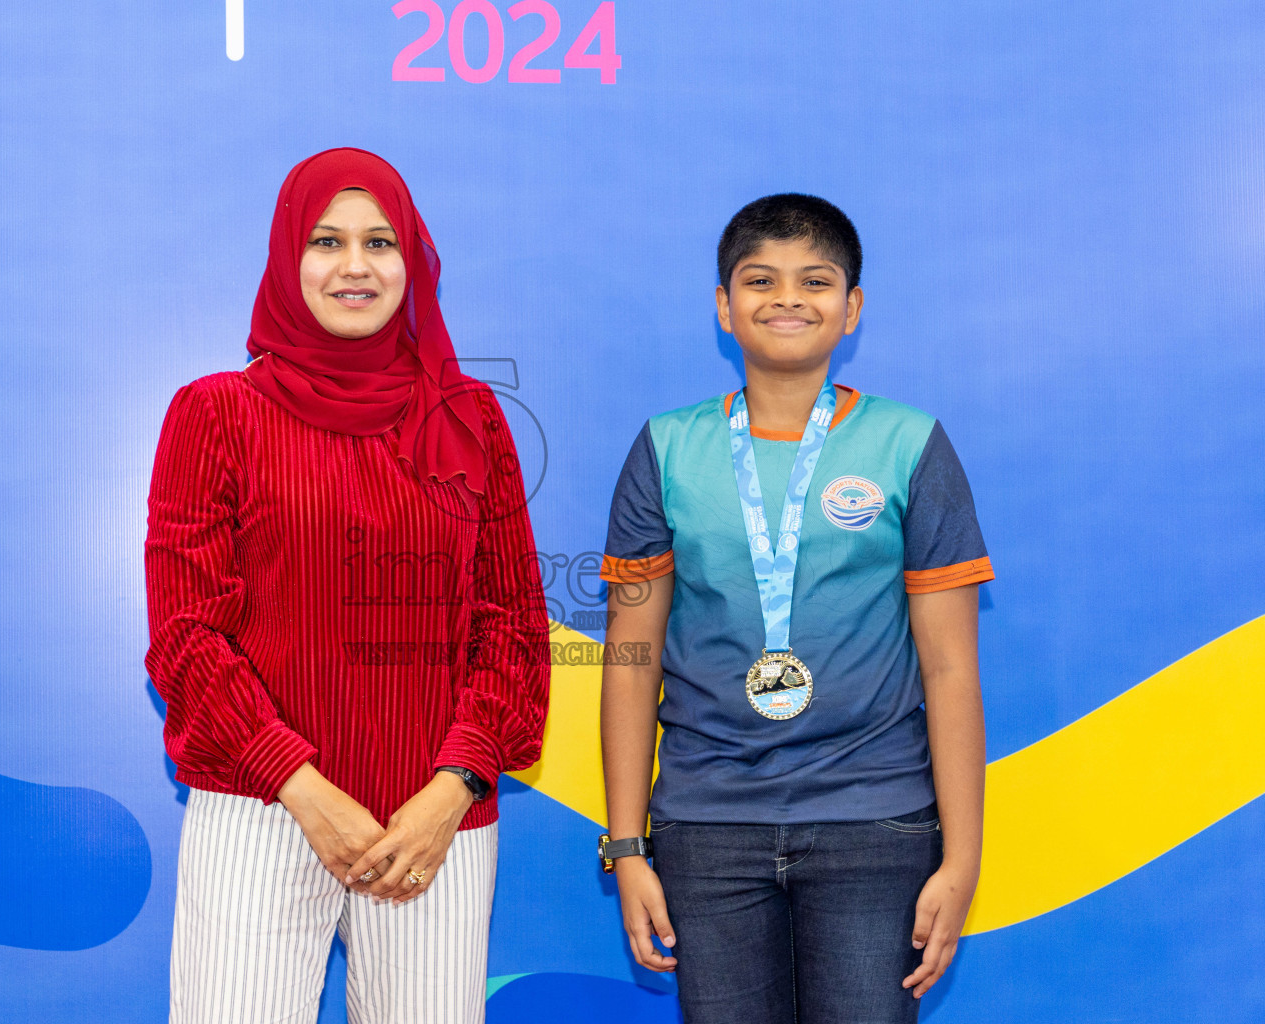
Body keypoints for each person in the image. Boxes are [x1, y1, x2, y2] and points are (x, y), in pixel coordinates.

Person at [144, 148, 550, 1024]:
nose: (356, 266)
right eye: (327, 240)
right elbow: (185, 636)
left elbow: (510, 624)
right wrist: (299, 784)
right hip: (262, 809)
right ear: (289, 259)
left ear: (414, 261)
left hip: (432, 827)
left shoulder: (471, 417)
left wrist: (456, 788)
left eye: (381, 241)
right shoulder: (216, 413)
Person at [598, 194, 992, 1023]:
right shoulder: (666, 448)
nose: (786, 298)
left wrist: (961, 860)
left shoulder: (910, 445)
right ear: (723, 306)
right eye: (759, 279)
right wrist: (628, 845)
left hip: (875, 824)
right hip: (706, 833)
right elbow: (631, 659)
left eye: (815, 280)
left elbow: (951, 666)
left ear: (851, 309)